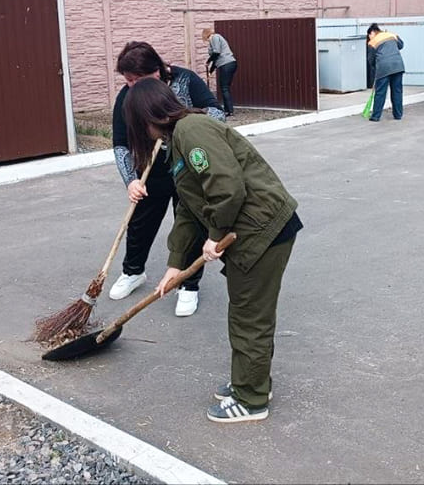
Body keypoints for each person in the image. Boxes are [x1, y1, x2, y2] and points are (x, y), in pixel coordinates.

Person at [123, 77, 302, 423]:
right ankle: (252, 381)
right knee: (247, 313)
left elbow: (227, 187)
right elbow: (189, 210)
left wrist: (215, 234)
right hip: (251, 230)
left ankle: (251, 399)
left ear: (148, 117)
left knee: (249, 317)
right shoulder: (179, 141)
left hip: (261, 230)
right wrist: (175, 264)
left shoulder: (192, 130)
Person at [110, 41, 226, 317]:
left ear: (157, 71)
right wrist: (131, 181)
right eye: (128, 80)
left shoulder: (185, 80)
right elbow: (120, 144)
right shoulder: (127, 97)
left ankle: (188, 284)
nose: (132, 86)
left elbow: (217, 114)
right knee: (139, 224)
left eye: (137, 79)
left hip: (188, 169)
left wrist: (182, 120)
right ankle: (133, 272)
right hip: (150, 171)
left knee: (190, 225)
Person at [366, 23, 406, 121]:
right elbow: (401, 45)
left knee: (380, 92)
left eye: (369, 36)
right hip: (398, 66)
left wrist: (375, 69)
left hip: (384, 67)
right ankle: (398, 115)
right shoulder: (391, 35)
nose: (369, 38)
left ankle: (376, 116)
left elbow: (371, 60)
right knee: (397, 91)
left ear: (372, 33)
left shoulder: (372, 42)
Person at [202, 27, 238, 117]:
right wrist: (211, 71)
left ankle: (229, 111)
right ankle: (228, 110)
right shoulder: (216, 39)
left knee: (224, 87)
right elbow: (216, 59)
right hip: (228, 63)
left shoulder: (215, 37)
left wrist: (208, 61)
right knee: (225, 87)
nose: (206, 40)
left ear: (206, 35)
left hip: (226, 64)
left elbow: (216, 53)